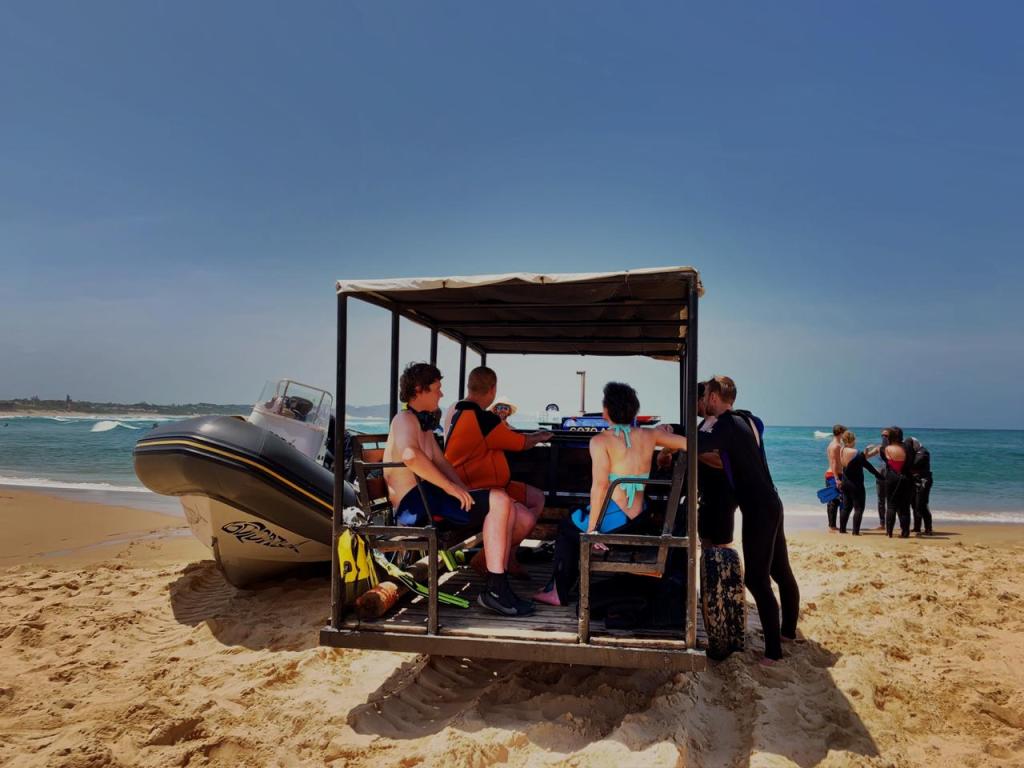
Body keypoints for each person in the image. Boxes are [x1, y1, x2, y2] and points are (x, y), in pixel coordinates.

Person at [383, 362, 533, 616]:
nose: (441, 394)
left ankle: (497, 584)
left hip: (429, 498)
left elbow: (441, 462)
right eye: (437, 389)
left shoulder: (421, 424)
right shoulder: (404, 419)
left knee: (502, 501)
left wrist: (462, 489)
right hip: (416, 506)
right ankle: (496, 590)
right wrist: (450, 488)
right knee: (499, 500)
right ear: (419, 390)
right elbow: (411, 456)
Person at [670, 376, 800, 663]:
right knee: (780, 571)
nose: (701, 401)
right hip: (771, 502)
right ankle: (788, 632)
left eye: (705, 395)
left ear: (713, 397)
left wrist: (659, 437)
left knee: (756, 579)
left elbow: (696, 444)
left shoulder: (726, 424)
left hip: (757, 509)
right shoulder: (748, 419)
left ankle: (774, 653)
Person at [534, 382, 687, 607]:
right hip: (640, 518)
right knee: (577, 517)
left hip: (617, 522)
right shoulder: (650, 435)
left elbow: (599, 487)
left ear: (606, 411)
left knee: (567, 527)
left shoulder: (600, 441)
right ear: (634, 410)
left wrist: (593, 530)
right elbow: (689, 444)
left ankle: (558, 591)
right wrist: (666, 450)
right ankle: (559, 584)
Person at [444, 367, 551, 577]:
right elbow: (521, 443)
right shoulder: (483, 419)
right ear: (493, 389)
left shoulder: (460, 411)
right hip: (476, 488)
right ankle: (485, 558)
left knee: (537, 498)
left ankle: (509, 556)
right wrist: (540, 436)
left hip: (488, 484)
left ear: (469, 386)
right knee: (526, 520)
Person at [837, 431, 883, 535]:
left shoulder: (842, 450)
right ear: (853, 440)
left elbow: (857, 461)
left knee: (846, 507)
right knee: (859, 508)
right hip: (856, 484)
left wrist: (865, 452)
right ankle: (855, 532)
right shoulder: (856, 452)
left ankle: (842, 530)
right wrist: (880, 476)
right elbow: (868, 466)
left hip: (845, 483)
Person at [878, 426, 913, 538]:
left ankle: (889, 532)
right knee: (905, 507)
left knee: (891, 506)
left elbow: (883, 453)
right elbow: (911, 461)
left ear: (890, 437)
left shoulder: (887, 449)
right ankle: (905, 532)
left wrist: (884, 437)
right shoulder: (907, 447)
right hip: (906, 477)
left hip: (892, 478)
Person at [907, 436, 933, 535]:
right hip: (915, 480)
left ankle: (928, 528)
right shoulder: (916, 452)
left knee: (921, 504)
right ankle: (917, 527)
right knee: (914, 505)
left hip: (923, 481)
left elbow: (915, 463)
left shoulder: (923, 452)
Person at [825, 424, 846, 532]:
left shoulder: (834, 444)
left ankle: (832, 525)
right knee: (834, 500)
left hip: (833, 474)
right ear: (840, 433)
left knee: (834, 500)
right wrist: (837, 478)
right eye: (844, 433)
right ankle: (832, 525)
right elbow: (833, 462)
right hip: (834, 475)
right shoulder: (835, 446)